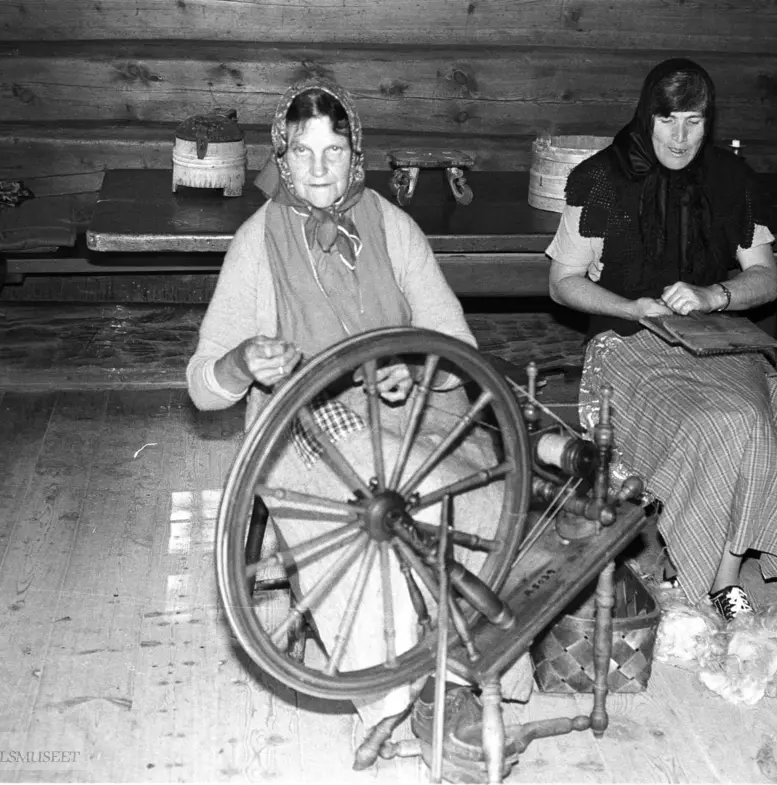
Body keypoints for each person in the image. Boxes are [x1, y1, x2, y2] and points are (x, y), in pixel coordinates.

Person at [185, 78, 531, 766]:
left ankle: (463, 671)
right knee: (373, 522)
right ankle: (397, 691)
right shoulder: (255, 243)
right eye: (303, 152)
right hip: (306, 421)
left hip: (410, 408)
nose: (319, 169)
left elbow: (457, 345)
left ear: (356, 156)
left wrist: (415, 364)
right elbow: (202, 388)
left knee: (462, 501)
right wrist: (242, 361)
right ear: (282, 160)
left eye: (334, 151)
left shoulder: (393, 227)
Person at [545, 58, 777, 622]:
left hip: (717, 339)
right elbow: (563, 283)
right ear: (646, 117)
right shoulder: (600, 179)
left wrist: (714, 295)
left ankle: (722, 577)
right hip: (628, 339)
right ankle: (696, 563)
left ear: (709, 122)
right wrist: (631, 306)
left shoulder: (731, 179)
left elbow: (766, 277)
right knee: (709, 422)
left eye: (693, 121)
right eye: (667, 121)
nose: (680, 138)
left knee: (746, 417)